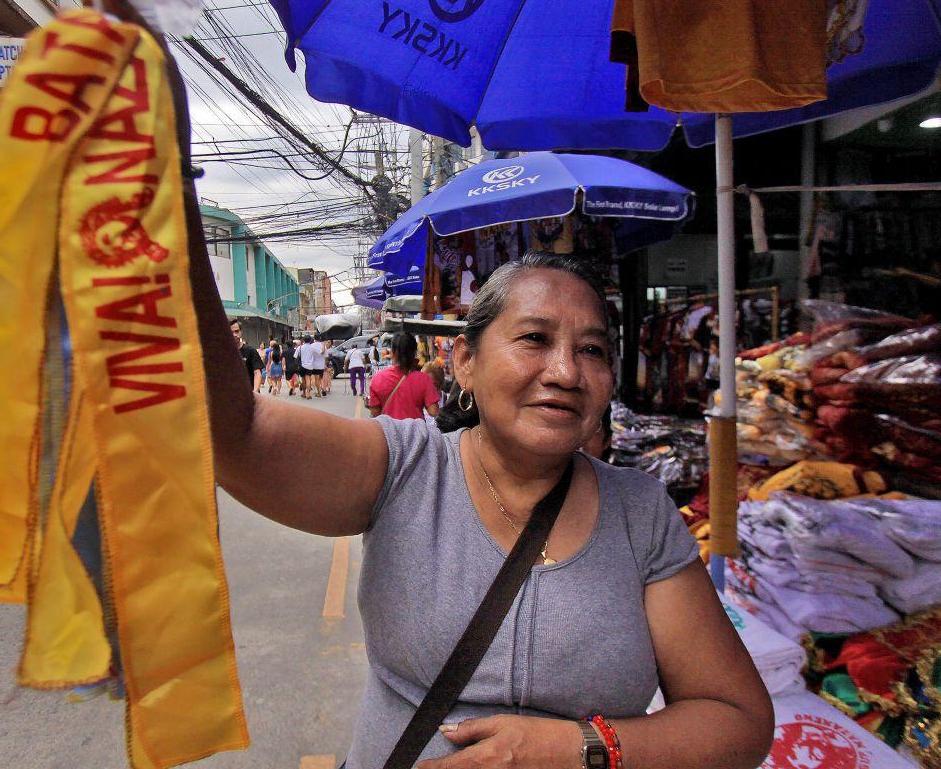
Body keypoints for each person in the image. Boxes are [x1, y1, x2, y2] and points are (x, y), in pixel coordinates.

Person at [199, 251, 773, 768]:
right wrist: (165, 202)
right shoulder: (405, 466)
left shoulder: (640, 512)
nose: (566, 372)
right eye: (534, 339)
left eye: (592, 350)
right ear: (465, 362)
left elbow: (736, 719)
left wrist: (578, 749)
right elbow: (235, 430)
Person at [367, 333, 441, 421]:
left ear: (393, 352)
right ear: (414, 353)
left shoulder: (378, 378)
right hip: (415, 433)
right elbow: (434, 411)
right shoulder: (424, 379)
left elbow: (375, 412)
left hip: (388, 432)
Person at [230, 319, 263, 393]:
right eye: (231, 332)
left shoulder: (250, 351)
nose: (234, 335)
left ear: (241, 332)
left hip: (248, 395)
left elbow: (257, 372)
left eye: (237, 331)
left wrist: (255, 391)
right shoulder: (223, 352)